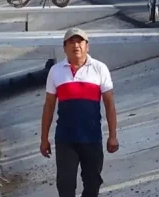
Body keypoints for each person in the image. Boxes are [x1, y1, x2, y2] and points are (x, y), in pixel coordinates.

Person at [40, 28, 118, 197]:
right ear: (64, 47)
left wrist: (113, 135)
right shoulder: (56, 71)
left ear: (87, 46)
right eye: (71, 42)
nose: (76, 45)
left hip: (91, 138)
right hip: (65, 140)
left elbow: (109, 104)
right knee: (65, 186)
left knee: (93, 185)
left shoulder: (100, 69)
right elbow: (49, 106)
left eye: (80, 41)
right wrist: (44, 138)